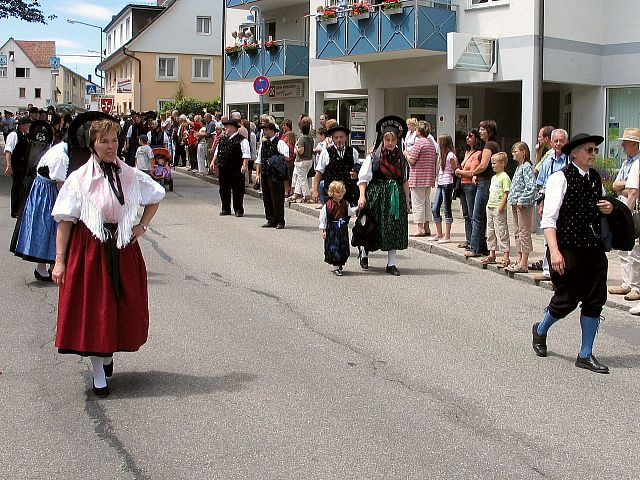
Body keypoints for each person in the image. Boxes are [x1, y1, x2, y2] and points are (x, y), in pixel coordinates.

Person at [51, 118, 165, 396]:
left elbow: (156, 195)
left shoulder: (129, 174)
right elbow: (65, 222)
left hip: (122, 246)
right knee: (95, 308)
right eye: (104, 141)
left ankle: (108, 351)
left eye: (114, 140)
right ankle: (99, 371)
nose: (110, 146)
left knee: (120, 305)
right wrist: (60, 260)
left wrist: (141, 226)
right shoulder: (79, 179)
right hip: (90, 248)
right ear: (93, 144)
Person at [531, 133, 614, 374]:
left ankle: (585, 353)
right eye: (588, 150)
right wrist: (554, 252)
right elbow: (549, 219)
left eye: (594, 150)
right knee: (566, 300)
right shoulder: (560, 178)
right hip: (567, 248)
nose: (593, 154)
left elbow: (599, 211)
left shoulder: (596, 178)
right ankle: (541, 329)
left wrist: (608, 207)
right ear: (574, 153)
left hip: (593, 249)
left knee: (595, 299)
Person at [12, 141, 69, 281]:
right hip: (46, 191)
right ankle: (43, 268)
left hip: (42, 189)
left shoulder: (58, 148)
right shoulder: (62, 156)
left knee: (46, 229)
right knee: (47, 228)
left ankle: (46, 267)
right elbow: (60, 183)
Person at [357, 130, 410, 276]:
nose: (391, 143)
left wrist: (407, 201)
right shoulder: (374, 157)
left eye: (393, 140)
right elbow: (363, 179)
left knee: (393, 227)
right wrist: (362, 196)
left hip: (395, 196)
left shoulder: (401, 159)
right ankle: (365, 253)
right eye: (387, 140)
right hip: (376, 194)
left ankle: (391, 264)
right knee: (370, 226)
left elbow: (405, 181)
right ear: (383, 141)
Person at [531, 128, 569, 279]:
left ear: (567, 142)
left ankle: (563, 271)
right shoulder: (548, 161)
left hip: (566, 203)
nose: (559, 144)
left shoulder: (570, 159)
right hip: (551, 202)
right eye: (556, 141)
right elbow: (541, 184)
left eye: (562, 141)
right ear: (551, 142)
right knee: (549, 237)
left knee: (564, 237)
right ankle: (548, 270)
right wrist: (542, 204)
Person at [609, 128, 640, 303]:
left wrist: (625, 187)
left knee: (635, 248)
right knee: (622, 247)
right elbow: (615, 185)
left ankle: (636, 287)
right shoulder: (626, 163)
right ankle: (627, 283)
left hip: (633, 208)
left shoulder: (638, 162)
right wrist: (624, 186)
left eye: (625, 142)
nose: (622, 145)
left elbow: (634, 190)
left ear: (634, 144)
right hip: (623, 204)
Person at [465, 120, 500, 258]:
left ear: (489, 131)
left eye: (483, 129)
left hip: (484, 182)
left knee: (477, 216)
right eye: (479, 129)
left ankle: (474, 247)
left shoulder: (489, 145)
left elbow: (484, 165)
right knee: (482, 216)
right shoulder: (491, 145)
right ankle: (482, 246)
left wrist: (471, 173)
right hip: (485, 181)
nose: (480, 131)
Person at [312, 124, 360, 207]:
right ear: (332, 138)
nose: (339, 140)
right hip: (331, 194)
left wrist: (356, 173)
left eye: (341, 137)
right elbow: (319, 173)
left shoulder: (353, 152)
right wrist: (315, 190)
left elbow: (357, 168)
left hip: (348, 193)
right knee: (332, 218)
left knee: (346, 218)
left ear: (345, 138)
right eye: (336, 137)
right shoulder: (326, 152)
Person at [506, 142, 536, 273]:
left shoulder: (527, 167)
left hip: (523, 204)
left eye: (515, 151)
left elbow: (531, 187)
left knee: (524, 232)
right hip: (515, 203)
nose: (513, 154)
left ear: (523, 152)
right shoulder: (519, 167)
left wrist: (522, 200)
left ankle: (524, 261)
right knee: (517, 231)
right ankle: (519, 258)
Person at [211, 119, 250, 217]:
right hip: (224, 167)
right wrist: (213, 161)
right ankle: (225, 208)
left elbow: (246, 153)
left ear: (233, 127)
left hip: (236, 168)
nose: (225, 129)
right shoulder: (223, 139)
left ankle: (238, 209)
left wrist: (244, 164)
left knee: (238, 189)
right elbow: (217, 151)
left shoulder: (242, 140)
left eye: (227, 127)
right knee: (223, 189)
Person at [319, 181, 358, 276]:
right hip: (332, 229)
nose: (340, 194)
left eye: (341, 191)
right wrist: (323, 230)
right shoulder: (328, 205)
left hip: (342, 229)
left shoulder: (345, 204)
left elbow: (350, 212)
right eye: (337, 192)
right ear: (332, 193)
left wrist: (357, 208)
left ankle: (340, 263)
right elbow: (323, 218)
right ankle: (336, 266)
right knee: (334, 247)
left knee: (343, 247)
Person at [255, 122, 290, 228]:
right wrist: (258, 174)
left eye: (266, 130)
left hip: (275, 175)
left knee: (277, 198)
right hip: (265, 174)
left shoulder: (279, 143)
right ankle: (270, 219)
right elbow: (259, 159)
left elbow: (286, 157)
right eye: (263, 130)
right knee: (267, 197)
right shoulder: (264, 144)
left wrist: (274, 160)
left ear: (272, 131)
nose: (264, 132)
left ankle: (280, 220)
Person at [406, 120, 437, 237]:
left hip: (418, 177)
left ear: (419, 131)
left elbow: (412, 160)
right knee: (426, 203)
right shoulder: (430, 143)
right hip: (428, 178)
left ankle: (420, 228)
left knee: (418, 203)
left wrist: (406, 155)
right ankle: (427, 227)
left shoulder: (419, 143)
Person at [454, 129, 483, 249]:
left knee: (472, 214)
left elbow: (472, 172)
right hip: (462, 185)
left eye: (470, 136)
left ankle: (474, 241)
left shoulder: (477, 153)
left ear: (476, 138)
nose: (467, 138)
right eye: (467, 136)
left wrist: (459, 171)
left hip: (470, 186)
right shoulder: (467, 152)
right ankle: (468, 239)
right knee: (465, 215)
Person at [482, 152, 511, 267]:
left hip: (498, 207)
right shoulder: (494, 177)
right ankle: (492, 253)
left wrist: (501, 206)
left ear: (502, 163)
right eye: (492, 163)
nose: (492, 165)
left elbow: (506, 193)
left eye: (494, 163)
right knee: (490, 231)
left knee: (501, 231)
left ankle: (505, 255)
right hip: (490, 206)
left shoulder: (505, 177)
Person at [429, 134, 458, 243]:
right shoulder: (442, 154)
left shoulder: (450, 155)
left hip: (447, 183)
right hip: (440, 183)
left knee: (447, 208)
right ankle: (439, 233)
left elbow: (455, 169)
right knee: (435, 208)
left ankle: (447, 235)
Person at [4, 116, 32, 218]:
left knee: (22, 187)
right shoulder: (14, 135)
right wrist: (8, 165)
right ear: (22, 125)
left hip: (23, 165)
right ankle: (15, 210)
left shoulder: (25, 135)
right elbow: (8, 151)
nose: (29, 126)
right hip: (16, 165)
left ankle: (20, 208)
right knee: (17, 187)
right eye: (28, 124)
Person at [290, 117, 315, 202]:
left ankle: (306, 195)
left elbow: (300, 151)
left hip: (301, 161)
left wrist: (296, 147)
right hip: (309, 160)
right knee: (300, 178)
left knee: (302, 178)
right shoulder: (311, 139)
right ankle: (295, 194)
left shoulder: (301, 139)